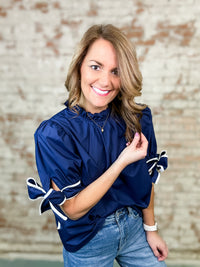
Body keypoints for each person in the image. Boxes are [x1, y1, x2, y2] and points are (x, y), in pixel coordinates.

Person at [27, 24, 168, 267]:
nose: (106, 81)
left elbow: (146, 179)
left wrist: (150, 228)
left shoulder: (137, 117)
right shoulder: (55, 133)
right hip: (88, 241)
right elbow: (72, 209)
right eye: (96, 66)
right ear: (79, 66)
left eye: (116, 71)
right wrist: (121, 162)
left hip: (134, 230)